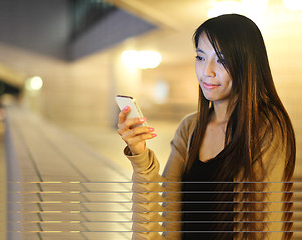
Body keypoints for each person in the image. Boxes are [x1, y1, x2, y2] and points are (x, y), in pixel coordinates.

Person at [117, 14, 296, 240]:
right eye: (201, 58)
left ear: (247, 63)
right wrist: (140, 154)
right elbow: (158, 221)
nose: (206, 71)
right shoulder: (190, 128)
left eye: (221, 60)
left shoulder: (268, 129)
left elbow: (267, 228)